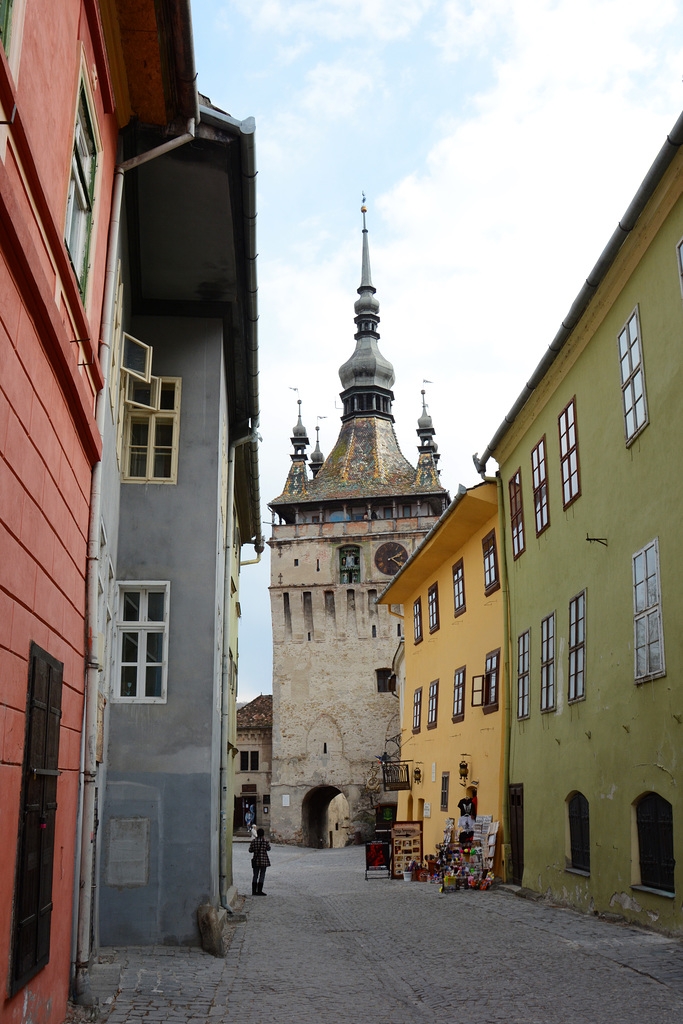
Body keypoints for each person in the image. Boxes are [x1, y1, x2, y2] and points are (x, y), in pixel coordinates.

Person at [249, 827, 271, 896]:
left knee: (255, 875)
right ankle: (259, 891)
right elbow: (268, 849)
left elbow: (250, 850)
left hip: (256, 860)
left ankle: (254, 891)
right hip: (263, 860)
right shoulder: (265, 841)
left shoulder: (254, 841)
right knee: (262, 875)